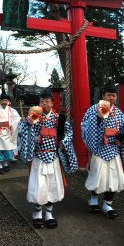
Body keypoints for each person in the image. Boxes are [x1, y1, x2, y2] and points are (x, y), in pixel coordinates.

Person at [18, 89, 78, 229]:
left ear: (52, 103)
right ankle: (38, 213)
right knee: (39, 186)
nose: (44, 104)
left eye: (47, 101)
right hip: (39, 157)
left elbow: (69, 132)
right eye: (41, 101)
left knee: (52, 185)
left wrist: (63, 142)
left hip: (54, 157)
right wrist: (28, 124)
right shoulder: (35, 117)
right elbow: (23, 132)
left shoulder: (59, 118)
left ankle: (49, 214)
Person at [81, 80, 124, 218]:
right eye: (109, 95)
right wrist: (97, 119)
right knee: (97, 176)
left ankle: (107, 204)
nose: (111, 98)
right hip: (99, 149)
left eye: (114, 95)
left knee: (114, 177)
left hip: (114, 149)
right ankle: (93, 200)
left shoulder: (119, 113)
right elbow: (84, 126)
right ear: (103, 95)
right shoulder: (93, 109)